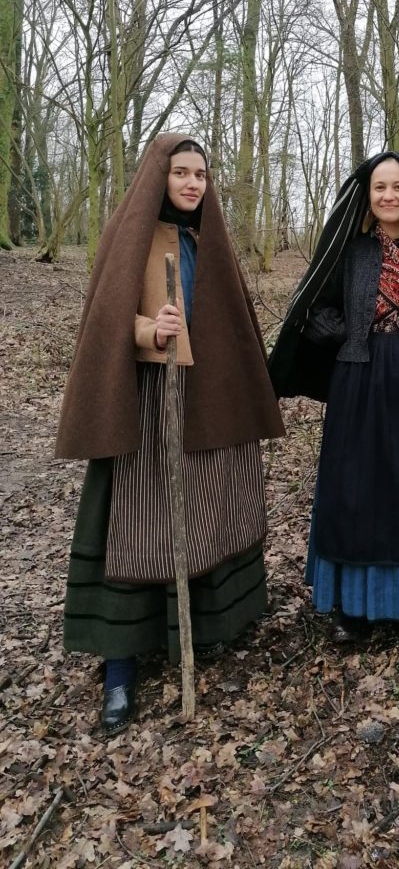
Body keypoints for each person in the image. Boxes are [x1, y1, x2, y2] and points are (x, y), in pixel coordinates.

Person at [56, 133, 284, 735]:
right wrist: (149, 330)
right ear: (159, 177)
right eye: (180, 173)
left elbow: (235, 330)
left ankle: (202, 632)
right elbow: (106, 324)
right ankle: (121, 663)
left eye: (200, 175)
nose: (191, 183)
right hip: (148, 403)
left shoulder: (211, 244)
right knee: (139, 521)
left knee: (207, 511)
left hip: (208, 404)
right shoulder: (127, 238)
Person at [269, 151, 399, 642]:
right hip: (358, 383)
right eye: (379, 187)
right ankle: (353, 608)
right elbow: (311, 305)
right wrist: (347, 333)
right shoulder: (351, 249)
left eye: (398, 187)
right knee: (355, 491)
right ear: (367, 196)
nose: (388, 196)